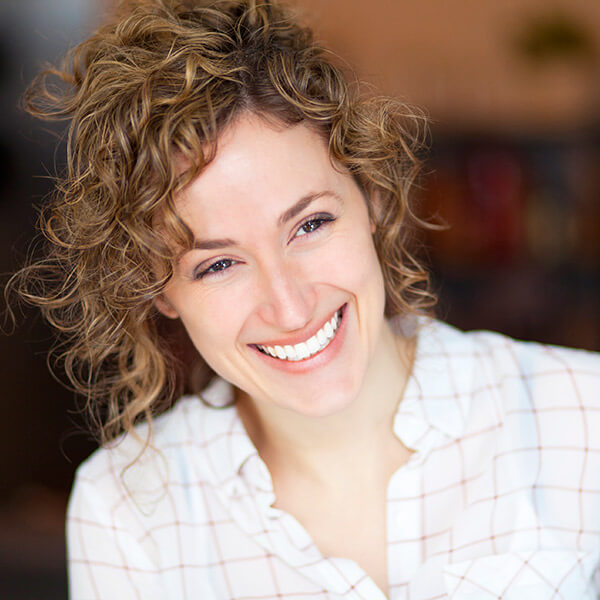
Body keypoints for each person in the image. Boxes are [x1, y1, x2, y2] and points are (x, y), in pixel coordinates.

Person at [7, 0, 600, 598]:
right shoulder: (128, 515)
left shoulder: (581, 416)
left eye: (310, 225)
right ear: (156, 289)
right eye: (219, 264)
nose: (289, 308)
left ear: (370, 194)